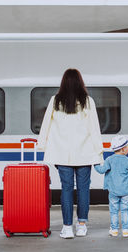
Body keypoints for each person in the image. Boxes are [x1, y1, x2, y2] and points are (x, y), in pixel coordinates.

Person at [37, 69, 103, 239]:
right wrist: (99, 151)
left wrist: (42, 145)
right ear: (80, 82)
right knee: (83, 189)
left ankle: (67, 228)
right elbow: (94, 128)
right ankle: (81, 226)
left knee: (66, 189)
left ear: (63, 82)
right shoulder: (88, 101)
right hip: (85, 153)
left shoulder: (55, 100)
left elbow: (46, 125)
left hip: (62, 154)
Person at [94, 135, 128, 238]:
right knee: (124, 211)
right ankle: (125, 231)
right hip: (126, 191)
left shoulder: (109, 160)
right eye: (127, 147)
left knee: (113, 211)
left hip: (113, 191)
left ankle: (114, 230)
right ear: (123, 149)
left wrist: (95, 163)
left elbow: (101, 170)